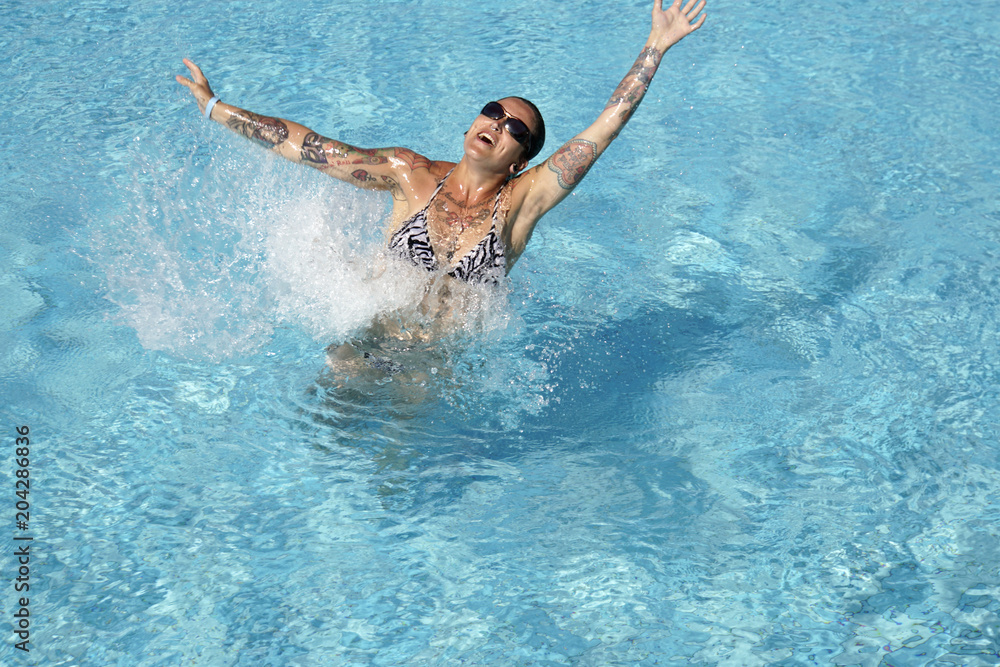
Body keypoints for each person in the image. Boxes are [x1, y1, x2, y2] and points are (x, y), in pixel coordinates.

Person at [176, 0, 706, 289]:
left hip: (437, 373)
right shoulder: (410, 174)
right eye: (493, 112)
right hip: (371, 336)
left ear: (523, 158)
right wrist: (213, 106)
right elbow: (311, 147)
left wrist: (654, 48)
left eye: (514, 129)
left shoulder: (524, 202)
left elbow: (602, 130)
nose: (498, 124)